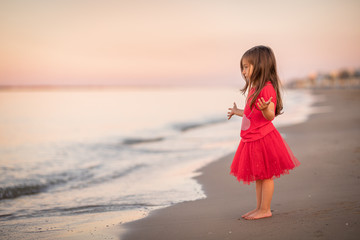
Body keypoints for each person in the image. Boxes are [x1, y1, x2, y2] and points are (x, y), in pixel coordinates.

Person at [227, 45, 300, 220]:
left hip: (263, 138)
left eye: (246, 66)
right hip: (253, 138)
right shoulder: (255, 88)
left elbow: (269, 116)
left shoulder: (267, 88)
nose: (243, 71)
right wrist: (238, 111)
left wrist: (267, 108)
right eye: (242, 67)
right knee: (259, 176)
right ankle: (259, 207)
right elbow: (252, 113)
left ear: (260, 65)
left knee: (266, 176)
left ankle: (265, 209)